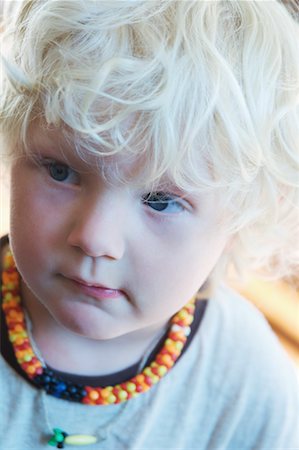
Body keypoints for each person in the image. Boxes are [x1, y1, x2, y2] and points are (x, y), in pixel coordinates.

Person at [0, 1, 298, 448]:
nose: (95, 238)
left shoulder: (249, 386)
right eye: (61, 171)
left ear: (243, 216)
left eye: (160, 201)